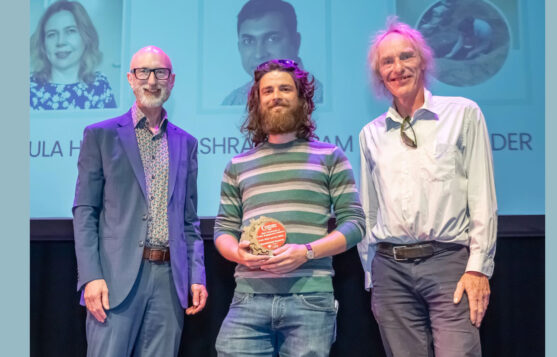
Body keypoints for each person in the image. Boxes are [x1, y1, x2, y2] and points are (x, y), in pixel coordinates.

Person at [358, 18, 497, 357]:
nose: (398, 68)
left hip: (449, 264)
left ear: (423, 61)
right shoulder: (370, 134)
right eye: (387, 62)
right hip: (390, 271)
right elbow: (368, 211)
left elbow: (482, 197)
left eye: (406, 57)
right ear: (379, 73)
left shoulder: (463, 114)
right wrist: (371, 275)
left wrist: (478, 267)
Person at [214, 59, 365, 356]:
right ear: (257, 101)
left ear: (302, 99)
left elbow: (355, 224)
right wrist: (238, 254)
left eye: (285, 88)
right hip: (248, 299)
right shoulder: (238, 165)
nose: (276, 96)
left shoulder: (330, 156)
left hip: (309, 299)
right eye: (267, 91)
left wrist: (306, 252)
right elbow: (223, 229)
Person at [72, 46, 207, 356]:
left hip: (169, 281)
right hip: (115, 281)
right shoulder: (101, 136)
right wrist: (91, 277)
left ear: (171, 81)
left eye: (160, 72)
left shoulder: (186, 143)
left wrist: (196, 275)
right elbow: (85, 212)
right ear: (130, 79)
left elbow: (189, 221)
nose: (151, 80)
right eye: (143, 72)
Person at [222, 0, 323, 105]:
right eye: (248, 41)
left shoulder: (320, 98)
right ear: (239, 48)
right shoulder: (232, 102)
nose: (259, 54)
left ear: (296, 43)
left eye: (272, 39)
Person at [30, 0, 116, 110]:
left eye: (70, 31)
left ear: (86, 37)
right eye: (52, 34)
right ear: (43, 43)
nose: (61, 41)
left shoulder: (100, 84)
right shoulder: (29, 87)